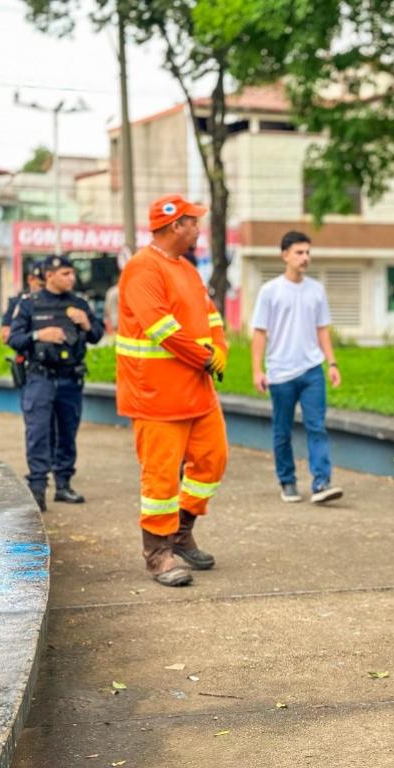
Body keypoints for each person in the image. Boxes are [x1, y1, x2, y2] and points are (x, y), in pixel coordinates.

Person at [116, 194, 229, 587]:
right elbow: (159, 327)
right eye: (193, 222)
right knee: (160, 478)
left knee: (212, 461)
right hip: (155, 395)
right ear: (173, 225)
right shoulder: (142, 268)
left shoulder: (186, 268)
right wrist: (204, 357)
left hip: (195, 390)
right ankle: (158, 554)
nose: (199, 228)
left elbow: (211, 315)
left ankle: (181, 532)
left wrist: (220, 348)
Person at [250, 230, 343, 505]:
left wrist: (332, 363)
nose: (305, 258)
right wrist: (257, 370)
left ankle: (321, 481)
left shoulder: (316, 289)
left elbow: (322, 329)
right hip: (280, 372)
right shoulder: (270, 291)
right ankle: (287, 481)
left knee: (317, 427)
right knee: (282, 431)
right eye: (299, 253)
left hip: (312, 369)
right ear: (285, 255)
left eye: (307, 252)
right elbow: (259, 333)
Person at [7, 255, 104, 512]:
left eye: (72, 273)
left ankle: (64, 485)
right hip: (40, 377)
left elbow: (96, 335)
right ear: (49, 275)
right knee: (38, 432)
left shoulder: (79, 304)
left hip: (70, 378)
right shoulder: (29, 304)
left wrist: (86, 323)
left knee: (67, 432)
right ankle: (37, 488)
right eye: (65, 274)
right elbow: (13, 338)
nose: (71, 278)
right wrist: (40, 334)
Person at [0, 261, 45, 344]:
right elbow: (5, 336)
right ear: (30, 279)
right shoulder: (19, 302)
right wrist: (35, 335)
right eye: (41, 285)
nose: (44, 291)